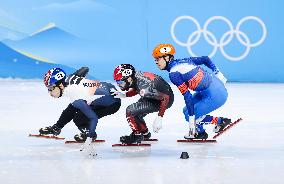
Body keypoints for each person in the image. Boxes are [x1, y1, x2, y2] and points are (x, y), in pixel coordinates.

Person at [152, 43, 231, 139]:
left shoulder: (174, 74)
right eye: (155, 59)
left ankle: (220, 121)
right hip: (210, 88)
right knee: (186, 111)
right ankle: (201, 132)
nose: (156, 62)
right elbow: (206, 59)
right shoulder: (184, 61)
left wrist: (191, 119)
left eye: (158, 58)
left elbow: (188, 96)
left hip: (216, 94)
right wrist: (217, 72)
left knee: (191, 115)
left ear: (168, 58)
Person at [39, 67, 121, 144]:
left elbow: (93, 118)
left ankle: (90, 134)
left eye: (51, 88)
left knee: (79, 118)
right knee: (72, 108)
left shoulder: (76, 96)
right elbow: (85, 69)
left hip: (112, 104)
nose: (49, 92)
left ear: (60, 85)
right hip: (108, 88)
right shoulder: (70, 77)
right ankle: (56, 128)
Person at [111, 64, 174, 144]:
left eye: (120, 81)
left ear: (129, 78)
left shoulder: (145, 87)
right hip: (155, 95)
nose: (119, 84)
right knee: (136, 112)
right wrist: (124, 95)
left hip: (164, 100)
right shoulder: (135, 78)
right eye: (117, 82)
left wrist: (159, 117)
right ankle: (145, 133)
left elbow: (165, 98)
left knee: (130, 111)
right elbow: (136, 89)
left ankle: (136, 135)